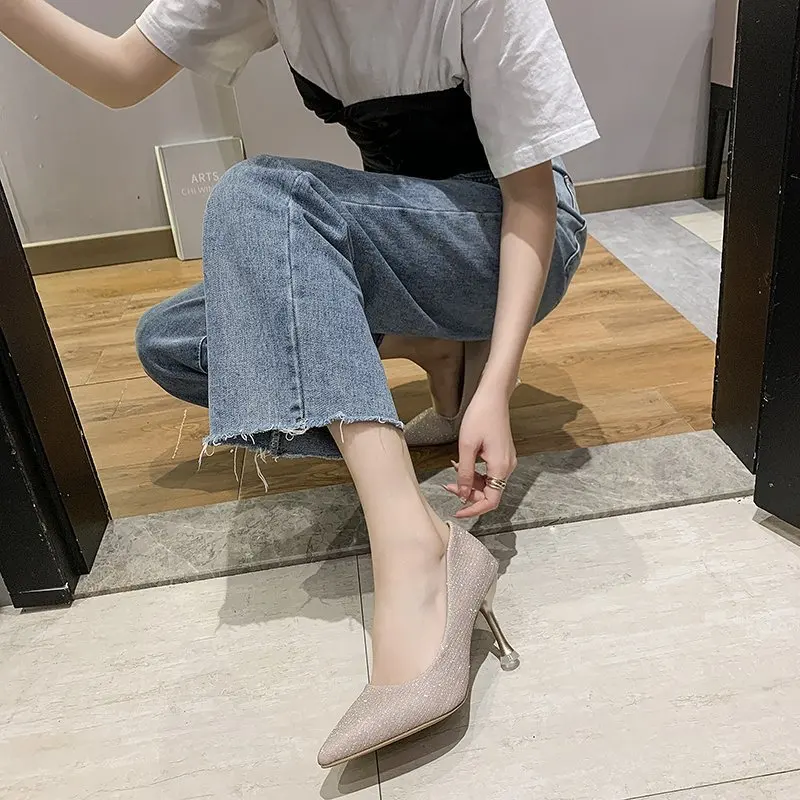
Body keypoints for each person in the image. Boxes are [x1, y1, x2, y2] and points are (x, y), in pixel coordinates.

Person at [1, 0, 597, 767]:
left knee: (260, 193)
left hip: (503, 237)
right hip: (402, 236)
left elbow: (532, 201)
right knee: (175, 342)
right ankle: (435, 349)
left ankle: (419, 551)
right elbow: (119, 74)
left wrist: (497, 390)